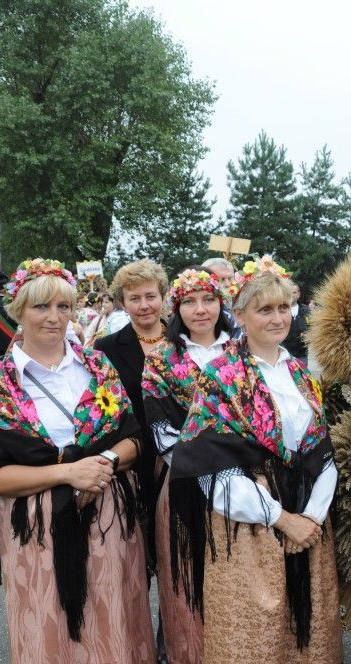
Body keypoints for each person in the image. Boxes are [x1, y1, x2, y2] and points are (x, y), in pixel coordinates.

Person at [0, 258, 153, 663]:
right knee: (48, 618)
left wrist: (103, 460)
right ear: (18, 311)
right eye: (41, 307)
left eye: (63, 307)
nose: (54, 318)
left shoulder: (97, 366)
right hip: (36, 525)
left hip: (107, 514)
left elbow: (133, 440)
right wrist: (69, 472)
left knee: (113, 615)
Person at [168, 259, 341, 664]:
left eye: (284, 307)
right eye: (265, 309)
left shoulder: (302, 373)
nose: (278, 318)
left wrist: (312, 519)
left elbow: (323, 455)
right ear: (240, 315)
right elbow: (212, 469)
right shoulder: (221, 377)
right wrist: (283, 520)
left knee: (311, 641)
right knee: (253, 640)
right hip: (250, 530)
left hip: (310, 527)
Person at [142, 268, 233, 664]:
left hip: (246, 479)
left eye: (208, 300)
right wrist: (206, 472)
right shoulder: (162, 358)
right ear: (177, 307)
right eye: (190, 302)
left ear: (221, 304)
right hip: (182, 479)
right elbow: (161, 431)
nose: (200, 310)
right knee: (187, 578)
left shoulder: (242, 351)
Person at [95, 258, 168, 572]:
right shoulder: (106, 348)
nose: (144, 305)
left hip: (184, 459)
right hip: (134, 459)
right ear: (122, 303)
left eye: (150, 296)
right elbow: (104, 408)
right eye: (134, 298)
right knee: (140, 554)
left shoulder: (185, 339)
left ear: (162, 296)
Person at [282, 281, 310, 364]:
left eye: (294, 292)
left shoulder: (306, 310)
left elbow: (312, 327)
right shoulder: (280, 310)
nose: (291, 294)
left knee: (302, 376)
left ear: (298, 294)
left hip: (302, 353)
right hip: (284, 352)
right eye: (289, 292)